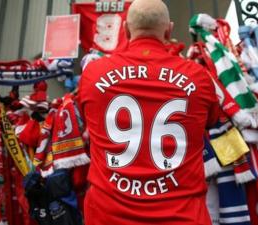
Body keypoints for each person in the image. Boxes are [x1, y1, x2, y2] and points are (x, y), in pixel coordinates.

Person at [78, 0, 220, 224]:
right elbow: (212, 120)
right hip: (182, 216)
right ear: (169, 29)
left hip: (107, 216)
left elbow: (86, 118)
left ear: (124, 29)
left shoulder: (93, 74)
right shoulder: (197, 76)